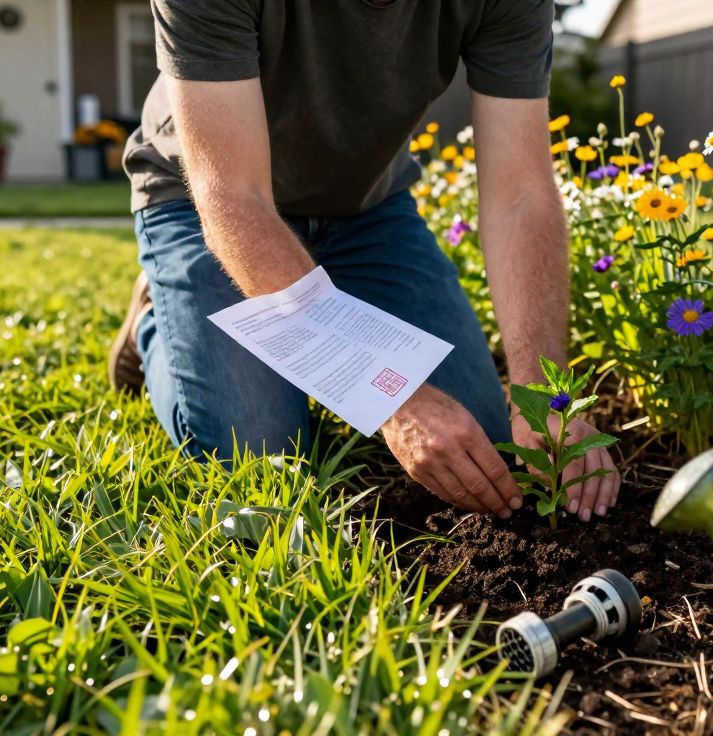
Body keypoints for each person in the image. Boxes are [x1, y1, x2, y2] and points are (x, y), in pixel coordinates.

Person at [108, 0, 620, 521]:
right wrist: (392, 394)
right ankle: (159, 318)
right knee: (262, 461)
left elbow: (522, 194)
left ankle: (302, 306)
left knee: (484, 443)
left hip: (367, 211)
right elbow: (234, 199)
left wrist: (547, 396)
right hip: (207, 204)